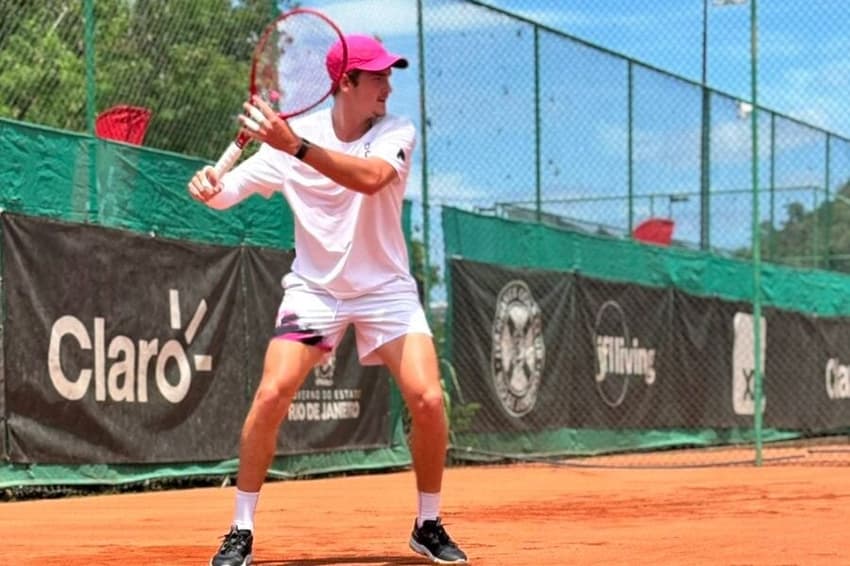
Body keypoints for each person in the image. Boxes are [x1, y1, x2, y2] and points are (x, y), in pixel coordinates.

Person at [187, 34, 469, 566]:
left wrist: (293, 146)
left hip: (385, 290)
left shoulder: (394, 132)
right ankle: (240, 530)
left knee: (429, 400)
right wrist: (208, 185)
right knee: (272, 392)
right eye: (378, 76)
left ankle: (427, 522)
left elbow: (371, 179)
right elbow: (227, 194)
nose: (388, 85)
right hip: (316, 291)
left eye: (390, 75)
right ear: (346, 83)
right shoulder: (293, 141)